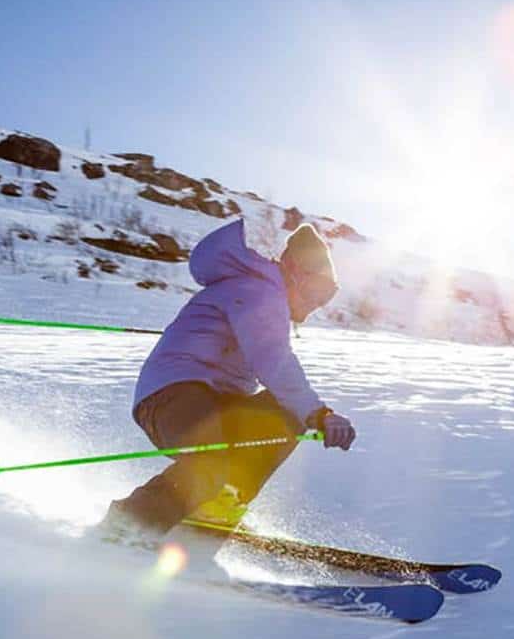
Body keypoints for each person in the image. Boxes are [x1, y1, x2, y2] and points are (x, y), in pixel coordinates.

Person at [97, 219, 355, 542]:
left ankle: (215, 511)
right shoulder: (260, 290)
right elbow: (272, 359)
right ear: (292, 268)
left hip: (210, 399)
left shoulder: (262, 292)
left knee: (283, 413)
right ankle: (129, 525)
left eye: (327, 296)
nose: (316, 304)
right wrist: (320, 412)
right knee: (213, 458)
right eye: (316, 290)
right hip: (171, 396)